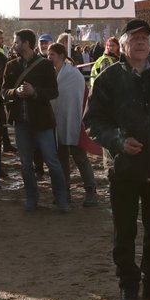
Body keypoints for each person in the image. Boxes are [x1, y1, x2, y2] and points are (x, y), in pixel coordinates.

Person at [84, 19, 150, 300]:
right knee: (125, 230)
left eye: (145, 38)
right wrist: (118, 141)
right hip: (124, 168)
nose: (140, 42)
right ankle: (128, 286)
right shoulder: (109, 78)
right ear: (123, 44)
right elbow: (92, 121)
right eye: (134, 38)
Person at [1, 29, 70, 212]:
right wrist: (15, 92)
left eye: (17, 42)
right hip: (21, 123)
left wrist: (35, 92)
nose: (14, 45)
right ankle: (32, 198)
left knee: (52, 162)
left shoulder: (45, 65)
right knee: (25, 164)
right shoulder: (11, 66)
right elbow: (3, 91)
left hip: (42, 122)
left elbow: (53, 92)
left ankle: (61, 199)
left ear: (26, 43)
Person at [47, 43, 98, 207]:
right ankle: (64, 192)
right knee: (60, 158)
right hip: (56, 121)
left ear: (61, 56)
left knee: (80, 157)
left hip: (74, 121)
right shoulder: (49, 73)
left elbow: (78, 100)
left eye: (52, 54)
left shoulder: (73, 74)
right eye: (48, 55)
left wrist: (76, 120)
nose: (49, 58)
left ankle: (91, 191)